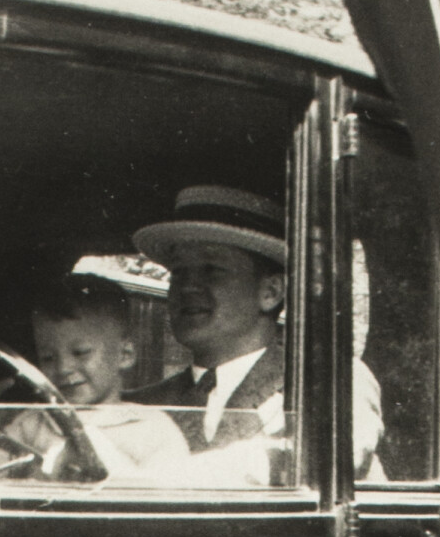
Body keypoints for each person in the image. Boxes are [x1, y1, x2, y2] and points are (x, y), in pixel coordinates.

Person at [130, 184, 387, 483]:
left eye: (211, 269)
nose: (187, 286)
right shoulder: (143, 406)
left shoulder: (328, 382)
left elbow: (329, 460)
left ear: (270, 292)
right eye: (179, 272)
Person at [0, 274, 189, 481]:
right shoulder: (31, 425)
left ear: (125, 355)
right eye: (48, 357)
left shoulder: (152, 428)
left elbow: (170, 493)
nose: (62, 368)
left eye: (80, 353)